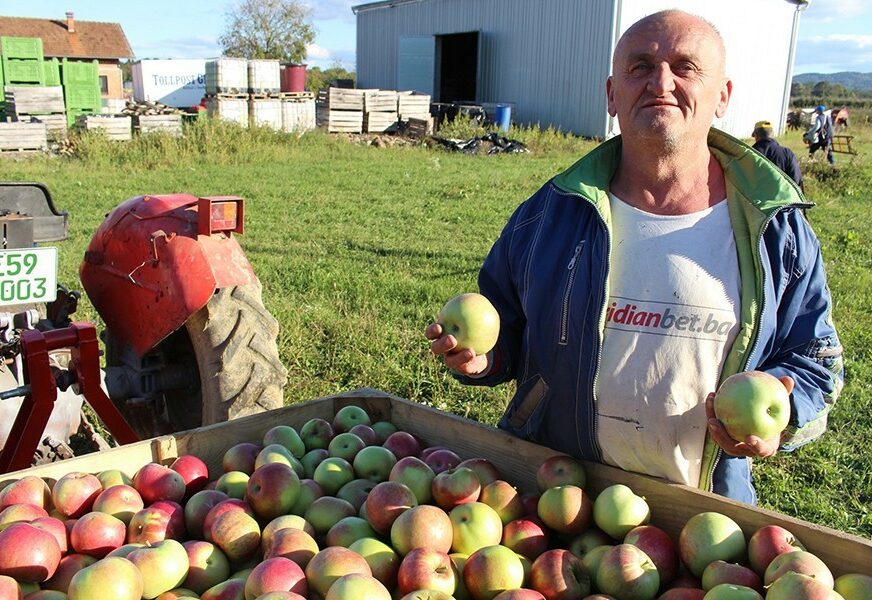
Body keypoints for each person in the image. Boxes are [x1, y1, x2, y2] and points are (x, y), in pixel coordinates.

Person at [426, 10, 842, 504]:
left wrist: (781, 415)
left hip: (700, 518)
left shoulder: (776, 229)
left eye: (685, 67)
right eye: (640, 67)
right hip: (553, 497)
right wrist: (479, 358)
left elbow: (815, 362)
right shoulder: (548, 216)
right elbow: (504, 330)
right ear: (611, 94)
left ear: (723, 96)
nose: (660, 82)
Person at [751, 120, 803, 191]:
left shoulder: (750, 153)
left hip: (754, 199)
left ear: (756, 135)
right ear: (772, 134)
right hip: (782, 200)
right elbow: (796, 180)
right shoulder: (787, 153)